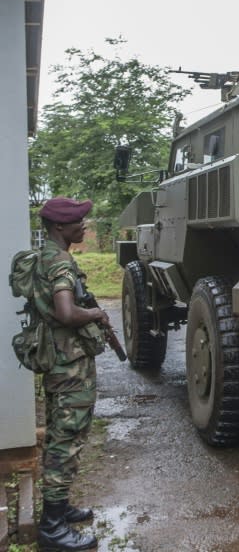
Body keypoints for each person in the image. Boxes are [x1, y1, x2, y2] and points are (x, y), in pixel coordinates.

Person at [35, 197, 109, 551]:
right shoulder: (61, 262)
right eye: (79, 221)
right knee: (67, 441)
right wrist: (95, 315)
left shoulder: (45, 256)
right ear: (60, 227)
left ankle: (59, 508)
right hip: (70, 367)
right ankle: (51, 528)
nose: (84, 226)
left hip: (58, 362)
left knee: (57, 435)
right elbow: (66, 312)